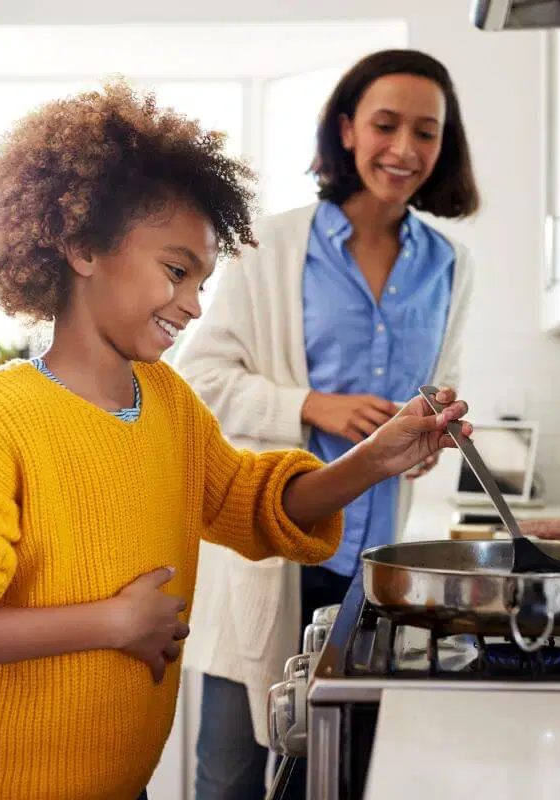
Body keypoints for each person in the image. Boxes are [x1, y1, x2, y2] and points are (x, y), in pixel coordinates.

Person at [0, 79, 472, 800]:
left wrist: (377, 458)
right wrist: (110, 622)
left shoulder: (168, 403)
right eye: (176, 271)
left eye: (201, 279)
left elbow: (252, 504)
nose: (194, 304)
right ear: (83, 247)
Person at [175, 49, 480, 799]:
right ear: (347, 130)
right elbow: (197, 380)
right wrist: (310, 406)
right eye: (385, 124)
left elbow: (439, 388)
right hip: (265, 558)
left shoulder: (452, 265)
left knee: (346, 778)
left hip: (374, 574)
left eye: (426, 132)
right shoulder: (267, 247)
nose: (404, 149)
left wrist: (426, 438)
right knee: (232, 779)